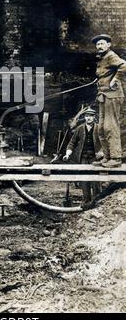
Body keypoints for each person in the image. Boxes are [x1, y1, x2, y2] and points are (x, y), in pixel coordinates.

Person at [92, 34, 126, 168]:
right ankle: (107, 156)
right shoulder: (102, 58)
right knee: (101, 127)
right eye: (97, 44)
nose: (99, 46)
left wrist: (115, 79)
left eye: (102, 43)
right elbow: (104, 74)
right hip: (103, 95)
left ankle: (116, 157)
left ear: (108, 45)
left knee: (110, 126)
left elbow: (124, 65)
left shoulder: (111, 55)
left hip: (113, 95)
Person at [63, 108, 103, 203]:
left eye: (91, 116)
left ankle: (97, 201)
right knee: (84, 180)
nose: (88, 118)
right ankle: (86, 201)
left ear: (94, 117)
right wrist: (68, 154)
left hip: (95, 158)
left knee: (96, 180)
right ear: (85, 117)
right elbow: (72, 143)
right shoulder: (80, 128)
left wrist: (101, 152)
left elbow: (105, 143)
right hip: (83, 158)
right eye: (87, 116)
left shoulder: (99, 128)